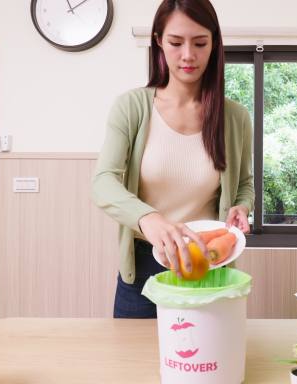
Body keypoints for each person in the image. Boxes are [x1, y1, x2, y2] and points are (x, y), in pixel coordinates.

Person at [91, 0, 254, 319]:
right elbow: (102, 183)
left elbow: (244, 184)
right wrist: (150, 219)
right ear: (158, 41)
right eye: (176, 42)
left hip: (208, 266)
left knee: (206, 364)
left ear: (215, 44)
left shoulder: (235, 117)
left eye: (200, 43)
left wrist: (243, 206)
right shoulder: (132, 107)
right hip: (142, 272)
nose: (188, 55)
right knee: (133, 366)